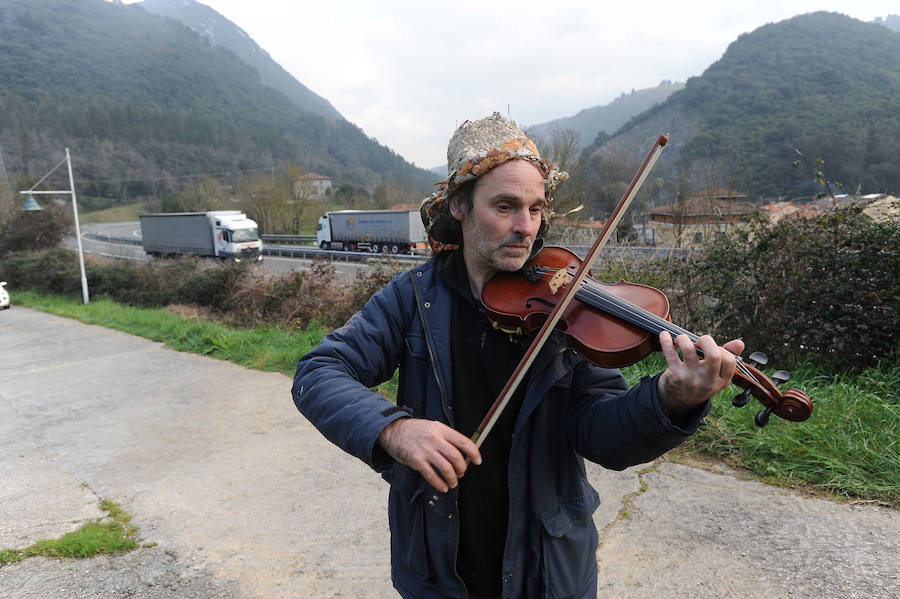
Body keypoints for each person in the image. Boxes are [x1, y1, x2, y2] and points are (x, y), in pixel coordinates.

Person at [292, 112, 743, 599]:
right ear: (460, 206)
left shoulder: (570, 306)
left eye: (535, 208)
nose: (525, 228)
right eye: (505, 206)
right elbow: (319, 372)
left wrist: (670, 401)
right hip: (438, 567)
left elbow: (604, 437)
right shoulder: (411, 300)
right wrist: (394, 429)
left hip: (548, 571)